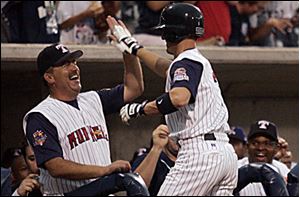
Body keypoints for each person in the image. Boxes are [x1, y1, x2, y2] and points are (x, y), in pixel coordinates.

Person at [106, 2, 237, 195]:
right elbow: (165, 68)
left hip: (200, 153)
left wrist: (140, 109)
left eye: (166, 31)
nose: (164, 37)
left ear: (175, 33)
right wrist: (134, 48)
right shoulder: (196, 60)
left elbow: (178, 98)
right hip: (225, 154)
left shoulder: (187, 62)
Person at [23, 43, 144, 195]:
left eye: (74, 62)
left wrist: (128, 49)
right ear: (49, 77)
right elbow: (56, 166)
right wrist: (104, 170)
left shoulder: (94, 99)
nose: (74, 68)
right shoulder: (40, 116)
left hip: (103, 191)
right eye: (66, 64)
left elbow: (134, 88)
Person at [237, 120, 290, 196]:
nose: (260, 148)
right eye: (255, 143)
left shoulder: (283, 170)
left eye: (267, 144)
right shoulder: (236, 168)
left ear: (276, 148)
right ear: (247, 146)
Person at [131, 124, 178, 196]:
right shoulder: (152, 158)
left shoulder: (193, 162)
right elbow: (135, 189)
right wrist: (157, 147)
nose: (179, 136)